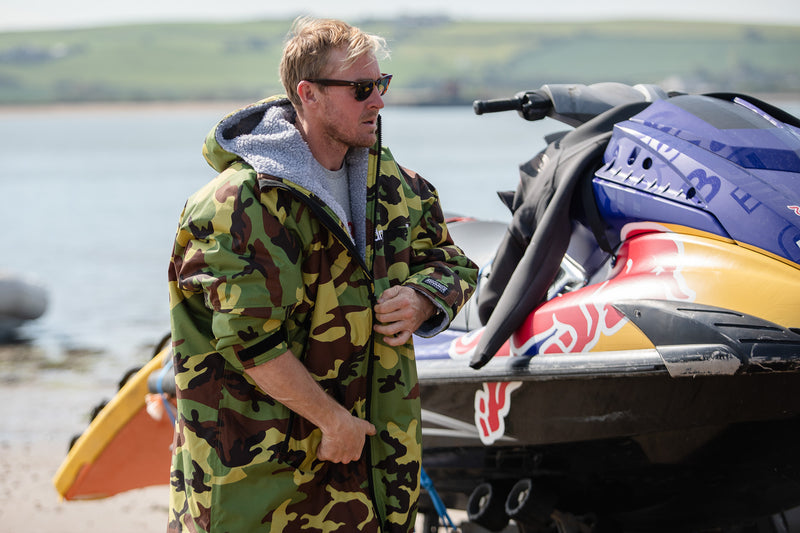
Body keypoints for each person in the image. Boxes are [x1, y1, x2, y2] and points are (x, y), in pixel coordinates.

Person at [166, 17, 478, 533]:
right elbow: (248, 340)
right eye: (361, 89)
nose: (378, 101)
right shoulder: (241, 201)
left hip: (375, 478)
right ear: (308, 94)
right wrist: (334, 421)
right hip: (260, 486)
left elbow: (454, 262)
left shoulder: (398, 186)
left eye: (382, 84)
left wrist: (425, 298)